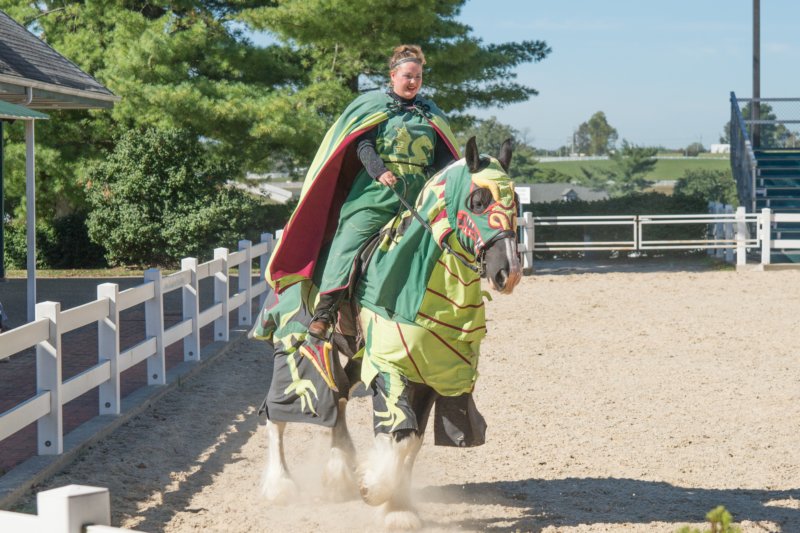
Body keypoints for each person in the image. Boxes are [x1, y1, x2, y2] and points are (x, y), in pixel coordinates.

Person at [266, 44, 461, 339]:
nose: (413, 82)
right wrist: (378, 170)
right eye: (408, 76)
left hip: (420, 194)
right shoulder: (373, 106)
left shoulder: (431, 114)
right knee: (349, 240)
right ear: (393, 76)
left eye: (418, 77)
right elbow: (363, 145)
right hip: (377, 191)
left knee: (453, 237)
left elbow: (444, 158)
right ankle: (326, 312)